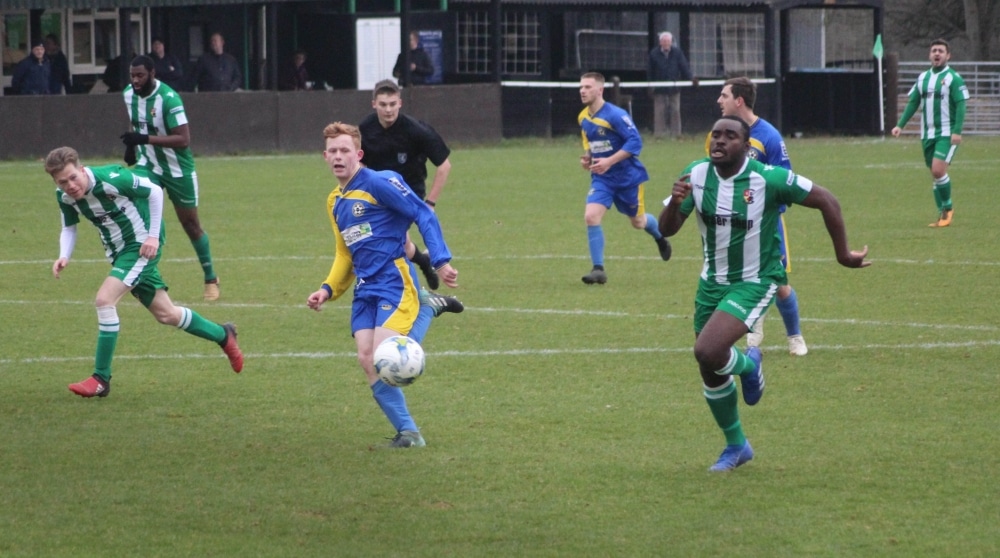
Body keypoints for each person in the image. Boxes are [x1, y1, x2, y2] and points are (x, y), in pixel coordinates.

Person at [658, 116, 871, 471]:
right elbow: (668, 229)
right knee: (709, 368)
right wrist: (672, 204)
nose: (719, 141)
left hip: (756, 279)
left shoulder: (768, 178)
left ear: (746, 145)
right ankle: (737, 445)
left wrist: (843, 255)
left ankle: (747, 365)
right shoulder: (695, 174)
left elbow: (827, 200)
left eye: (730, 136)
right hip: (712, 281)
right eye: (715, 135)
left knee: (707, 350)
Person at [44, 147, 244, 398]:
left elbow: (155, 192)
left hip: (140, 247)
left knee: (104, 300)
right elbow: (69, 227)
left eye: (74, 177)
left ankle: (100, 378)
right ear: (56, 182)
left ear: (82, 169)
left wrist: (152, 237)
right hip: (120, 253)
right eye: (63, 182)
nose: (70, 185)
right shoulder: (64, 196)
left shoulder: (112, 180)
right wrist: (64, 255)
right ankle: (223, 335)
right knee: (167, 314)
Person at [306, 122, 459, 448]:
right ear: (324, 156)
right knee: (367, 359)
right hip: (364, 289)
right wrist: (327, 289)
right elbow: (344, 252)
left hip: (393, 280)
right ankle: (410, 434)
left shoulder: (379, 183)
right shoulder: (335, 201)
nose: (338, 156)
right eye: (332, 151)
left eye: (344, 150)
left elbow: (422, 213)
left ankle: (427, 309)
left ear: (358, 154)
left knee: (381, 355)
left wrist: (440, 260)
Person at [714, 77, 807, 356]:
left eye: (724, 95)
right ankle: (753, 325)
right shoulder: (719, 134)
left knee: (779, 284)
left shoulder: (768, 136)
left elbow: (786, 180)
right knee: (737, 281)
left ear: (739, 101)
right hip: (734, 224)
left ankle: (795, 337)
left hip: (766, 225)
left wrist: (767, 209)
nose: (719, 101)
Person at [119, 55, 222, 300]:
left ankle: (210, 278)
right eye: (132, 75)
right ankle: (144, 275)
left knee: (190, 224)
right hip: (148, 166)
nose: (135, 80)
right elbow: (138, 124)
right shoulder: (128, 94)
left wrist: (144, 139)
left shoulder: (169, 98)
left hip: (178, 169)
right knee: (138, 208)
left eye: (140, 75)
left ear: (153, 73)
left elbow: (183, 139)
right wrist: (132, 146)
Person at [359, 79, 454, 293]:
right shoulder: (365, 129)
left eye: (392, 104)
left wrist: (429, 203)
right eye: (383, 104)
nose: (388, 109)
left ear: (400, 103)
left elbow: (444, 166)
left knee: (390, 242)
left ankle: (404, 293)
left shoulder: (416, 130)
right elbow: (360, 163)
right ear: (374, 104)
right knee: (399, 243)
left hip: (409, 194)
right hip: (378, 194)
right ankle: (422, 262)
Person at [577, 71, 672, 285]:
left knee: (638, 222)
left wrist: (609, 161)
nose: (583, 91)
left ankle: (659, 237)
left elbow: (635, 143)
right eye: (581, 87)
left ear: (600, 90)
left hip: (627, 178)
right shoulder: (583, 117)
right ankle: (598, 269)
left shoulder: (615, 115)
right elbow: (590, 143)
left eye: (588, 87)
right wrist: (588, 158)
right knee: (591, 216)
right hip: (602, 178)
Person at [891, 38, 969, 228]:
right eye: (934, 50)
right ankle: (941, 213)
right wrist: (900, 125)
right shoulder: (923, 78)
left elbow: (961, 105)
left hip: (946, 133)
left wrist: (957, 131)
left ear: (948, 55)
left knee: (938, 170)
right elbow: (913, 102)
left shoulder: (953, 78)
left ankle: (948, 208)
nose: (937, 54)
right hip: (927, 134)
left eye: (941, 51)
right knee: (935, 175)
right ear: (929, 55)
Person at [647, 31, 695, 138]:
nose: (666, 43)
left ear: (671, 42)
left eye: (668, 41)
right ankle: (659, 134)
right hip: (659, 88)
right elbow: (650, 71)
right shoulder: (653, 54)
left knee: (675, 110)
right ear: (660, 42)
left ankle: (676, 134)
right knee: (659, 111)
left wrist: (691, 78)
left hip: (674, 87)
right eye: (664, 41)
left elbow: (684, 66)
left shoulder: (677, 53)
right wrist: (650, 85)